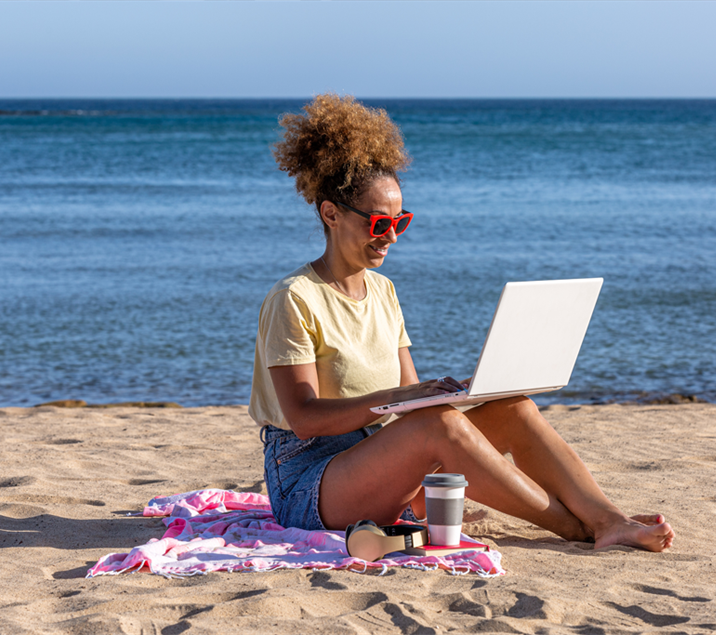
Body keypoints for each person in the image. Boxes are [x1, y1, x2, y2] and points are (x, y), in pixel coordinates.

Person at [249, 94, 674, 552]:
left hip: (378, 464)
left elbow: (410, 413)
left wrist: (465, 394)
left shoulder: (384, 291)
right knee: (441, 427)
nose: (390, 236)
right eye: (378, 223)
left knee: (514, 407)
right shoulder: (294, 298)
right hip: (311, 483)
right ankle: (578, 528)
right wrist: (399, 398)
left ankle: (605, 516)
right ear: (331, 214)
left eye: (400, 222)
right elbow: (305, 419)